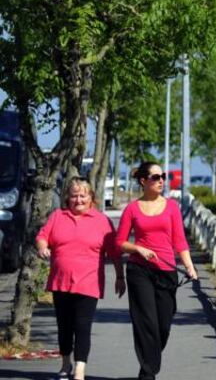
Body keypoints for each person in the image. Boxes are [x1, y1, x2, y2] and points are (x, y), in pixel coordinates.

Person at [36, 177, 125, 380]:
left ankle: (80, 370)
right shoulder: (58, 216)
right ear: (67, 198)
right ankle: (65, 363)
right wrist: (42, 247)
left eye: (83, 195)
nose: (78, 200)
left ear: (91, 197)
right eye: (74, 195)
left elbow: (114, 252)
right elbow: (42, 236)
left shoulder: (102, 221)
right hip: (61, 282)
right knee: (64, 326)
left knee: (83, 326)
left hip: (88, 283)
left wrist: (120, 277)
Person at [116, 162, 198, 380]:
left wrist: (189, 266)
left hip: (166, 271)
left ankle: (148, 364)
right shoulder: (132, 209)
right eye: (155, 177)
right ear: (143, 181)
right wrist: (138, 249)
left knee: (163, 325)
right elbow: (119, 242)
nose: (161, 180)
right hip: (139, 270)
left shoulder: (171, 207)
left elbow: (180, 240)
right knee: (146, 322)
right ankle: (148, 374)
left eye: (163, 176)